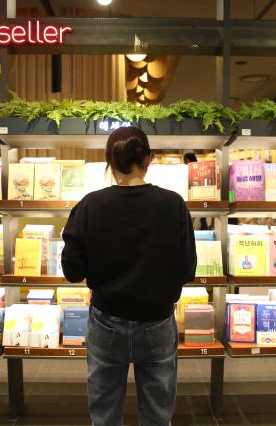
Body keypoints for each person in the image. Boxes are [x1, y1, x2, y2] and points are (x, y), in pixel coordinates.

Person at [62, 126, 196, 426]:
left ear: (109, 161)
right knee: (158, 415)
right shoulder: (173, 205)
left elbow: (72, 270)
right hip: (158, 322)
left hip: (106, 321)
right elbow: (187, 270)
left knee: (105, 413)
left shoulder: (89, 205)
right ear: (148, 159)